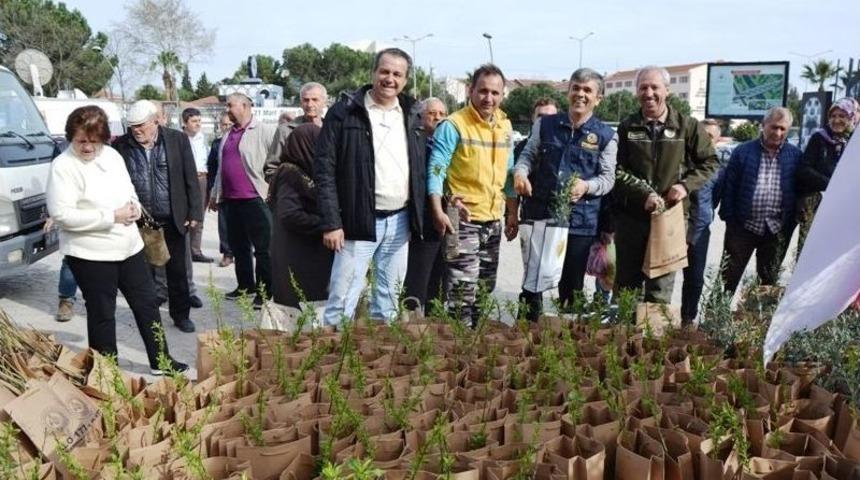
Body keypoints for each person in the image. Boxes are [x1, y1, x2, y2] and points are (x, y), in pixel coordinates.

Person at [46, 105, 186, 374]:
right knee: (102, 314)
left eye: (94, 142)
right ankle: (106, 372)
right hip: (91, 255)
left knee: (147, 305)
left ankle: (162, 361)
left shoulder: (111, 156)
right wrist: (111, 216)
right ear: (70, 137)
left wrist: (133, 207)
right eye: (81, 141)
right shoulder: (62, 167)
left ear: (105, 139)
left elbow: (128, 188)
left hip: (129, 247)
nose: (88, 148)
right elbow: (62, 215)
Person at [315, 48, 426, 326]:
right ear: (373, 73)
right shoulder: (345, 112)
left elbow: (421, 168)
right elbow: (324, 169)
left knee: (388, 302)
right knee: (341, 301)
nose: (390, 79)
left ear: (406, 79)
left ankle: (376, 362)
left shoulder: (412, 113)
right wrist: (331, 221)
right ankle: (332, 364)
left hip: (400, 221)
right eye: (384, 71)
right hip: (358, 221)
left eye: (397, 74)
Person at [513, 68, 617, 320]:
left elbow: (607, 179)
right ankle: (526, 333)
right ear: (568, 91)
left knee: (571, 287)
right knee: (533, 281)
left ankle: (566, 341)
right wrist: (520, 173)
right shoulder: (545, 124)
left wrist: (586, 186)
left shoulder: (606, 136)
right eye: (576, 88)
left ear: (598, 98)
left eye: (587, 90)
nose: (580, 94)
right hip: (542, 215)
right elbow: (528, 155)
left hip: (580, 222)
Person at [612, 66, 718, 303]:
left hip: (669, 218)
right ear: (636, 92)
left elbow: (710, 161)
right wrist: (643, 195)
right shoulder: (627, 127)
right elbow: (616, 171)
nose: (648, 93)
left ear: (667, 91)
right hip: (632, 220)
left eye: (654, 87)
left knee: (659, 290)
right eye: (643, 88)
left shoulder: (687, 126)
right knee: (626, 289)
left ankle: (651, 339)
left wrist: (685, 185)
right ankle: (620, 338)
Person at [427, 64, 518, 326]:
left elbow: (509, 174)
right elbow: (436, 169)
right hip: (461, 219)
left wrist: (512, 212)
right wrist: (438, 210)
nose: (488, 98)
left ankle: (476, 345)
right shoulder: (454, 125)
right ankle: (458, 348)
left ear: (502, 95)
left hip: (493, 220)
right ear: (471, 91)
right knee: (461, 289)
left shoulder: (505, 126)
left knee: (484, 288)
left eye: (495, 93)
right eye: (483, 91)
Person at [113, 100, 203, 333]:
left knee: (177, 272)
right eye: (132, 126)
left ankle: (181, 315)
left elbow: (190, 177)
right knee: (145, 274)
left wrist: (194, 211)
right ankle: (150, 317)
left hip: (173, 217)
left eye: (141, 125)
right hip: (140, 221)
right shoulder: (121, 146)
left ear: (156, 121)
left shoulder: (177, 140)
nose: (136, 131)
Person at [719, 107, 801, 295]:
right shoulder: (743, 151)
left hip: (776, 230)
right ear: (763, 126)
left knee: (767, 283)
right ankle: (713, 321)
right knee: (727, 280)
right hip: (743, 228)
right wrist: (730, 220)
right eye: (773, 127)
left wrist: (790, 224)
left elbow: (799, 190)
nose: (777, 133)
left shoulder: (795, 156)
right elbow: (729, 188)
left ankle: (758, 323)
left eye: (783, 129)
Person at [209, 93, 277, 307]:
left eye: (231, 105)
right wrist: (214, 195)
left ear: (246, 106)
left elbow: (277, 161)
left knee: (263, 249)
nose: (227, 109)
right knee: (239, 247)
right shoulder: (228, 134)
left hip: (256, 199)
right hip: (231, 200)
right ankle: (246, 285)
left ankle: (265, 291)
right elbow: (222, 168)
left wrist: (272, 189)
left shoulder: (264, 130)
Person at [269, 123, 332, 310]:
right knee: (300, 308)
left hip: (303, 251)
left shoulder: (303, 170)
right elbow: (289, 214)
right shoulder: (290, 173)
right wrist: (327, 224)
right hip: (298, 254)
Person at [680, 119, 729, 324]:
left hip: (699, 231)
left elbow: (715, 197)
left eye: (711, 136)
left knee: (695, 278)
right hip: (674, 228)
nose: (706, 139)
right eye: (702, 134)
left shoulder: (718, 168)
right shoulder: (680, 161)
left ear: (717, 140)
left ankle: (687, 319)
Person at [795, 97, 856, 257]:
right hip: (816, 204)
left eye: (842, 116)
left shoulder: (854, 142)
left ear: (852, 118)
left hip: (842, 208)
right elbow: (804, 169)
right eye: (833, 116)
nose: (836, 120)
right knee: (808, 253)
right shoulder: (819, 138)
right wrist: (830, 184)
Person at [403, 97, 448, 311]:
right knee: (418, 275)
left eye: (442, 114)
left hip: (445, 216)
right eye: (432, 113)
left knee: (440, 276)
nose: (437, 118)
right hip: (421, 218)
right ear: (421, 116)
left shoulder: (447, 144)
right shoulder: (413, 141)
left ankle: (435, 315)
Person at [265, 82, 327, 181]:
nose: (310, 104)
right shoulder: (285, 130)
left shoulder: (331, 130)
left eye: (315, 100)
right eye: (306, 100)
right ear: (301, 103)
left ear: (324, 102)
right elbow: (271, 169)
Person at [182, 107, 213, 263]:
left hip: (202, 178)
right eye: (194, 121)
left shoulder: (202, 138)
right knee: (185, 215)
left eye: (199, 121)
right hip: (185, 179)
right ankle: (184, 250)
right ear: (185, 122)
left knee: (199, 215)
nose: (197, 124)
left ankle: (195, 250)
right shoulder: (179, 138)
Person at [207, 112, 234, 268]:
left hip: (240, 191)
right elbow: (212, 167)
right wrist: (213, 191)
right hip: (223, 189)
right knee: (224, 224)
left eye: (230, 124)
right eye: (224, 125)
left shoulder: (243, 140)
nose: (227, 127)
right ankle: (227, 253)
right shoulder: (217, 144)